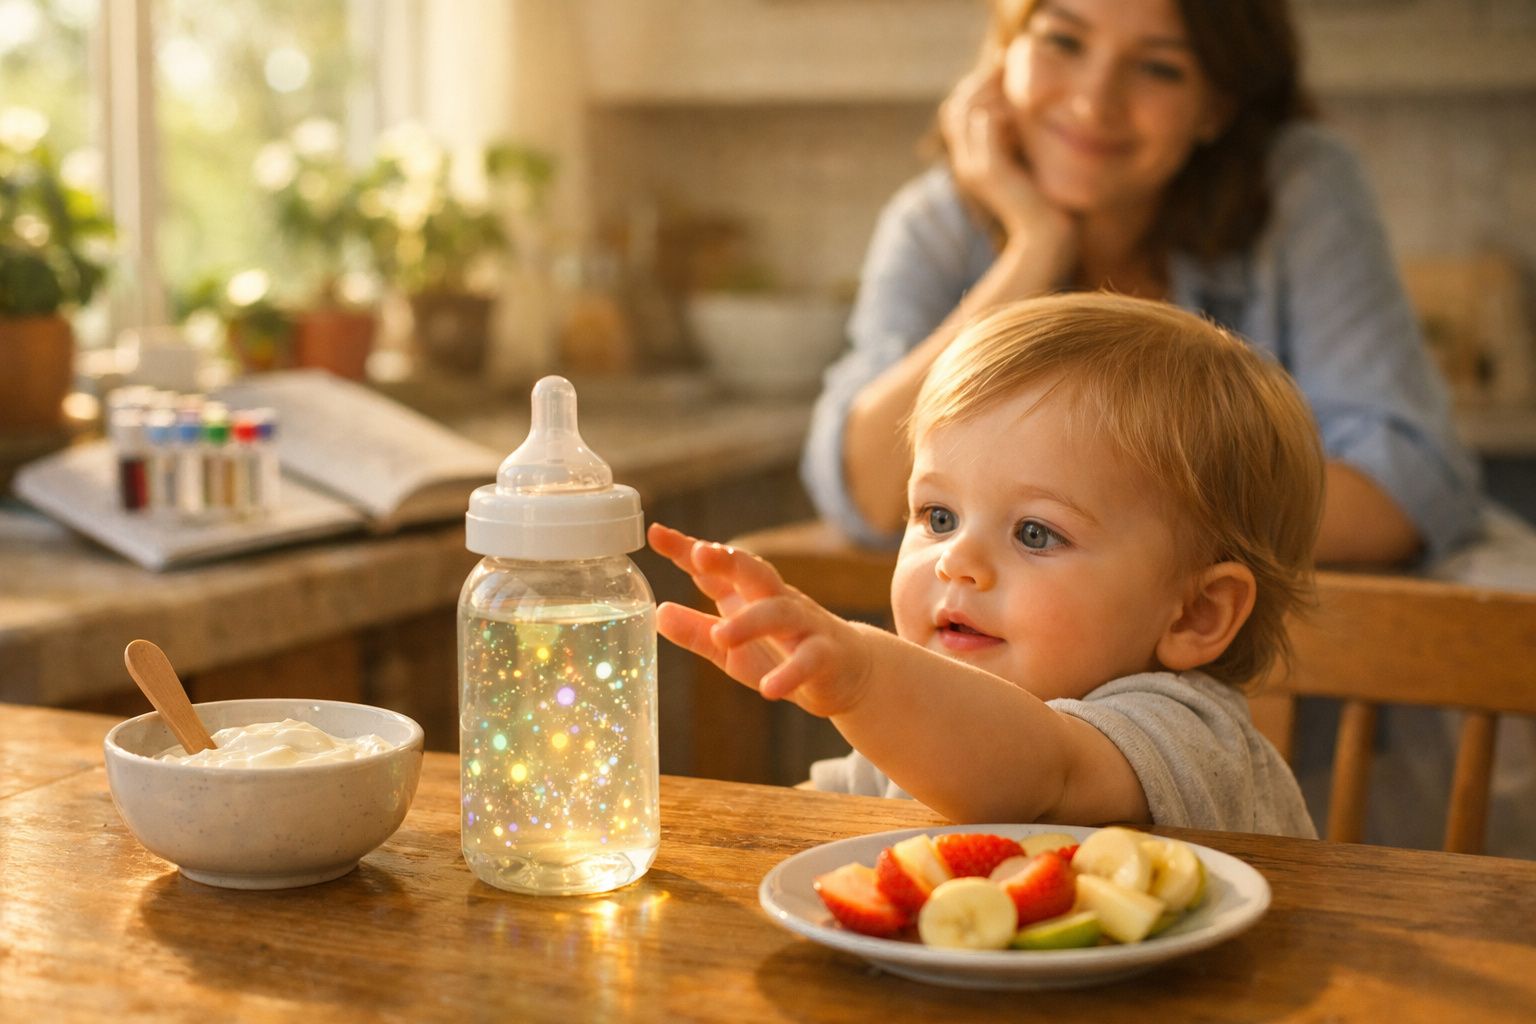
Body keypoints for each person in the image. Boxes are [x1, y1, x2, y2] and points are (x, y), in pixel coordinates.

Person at [801, 0, 1481, 568]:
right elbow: (864, 492)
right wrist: (1034, 250)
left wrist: (1108, 531)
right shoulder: (939, 219)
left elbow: (1407, 489)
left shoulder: (1299, 188)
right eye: (1063, 40)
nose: (1095, 102)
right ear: (1004, 52)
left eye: (1159, 67)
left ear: (1216, 105)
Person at [654, 293, 1320, 836]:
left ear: (1196, 612)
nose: (957, 561)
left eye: (1035, 532)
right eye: (938, 517)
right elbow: (807, 827)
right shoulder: (921, 728)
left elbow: (1035, 772)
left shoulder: (1184, 732)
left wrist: (861, 675)